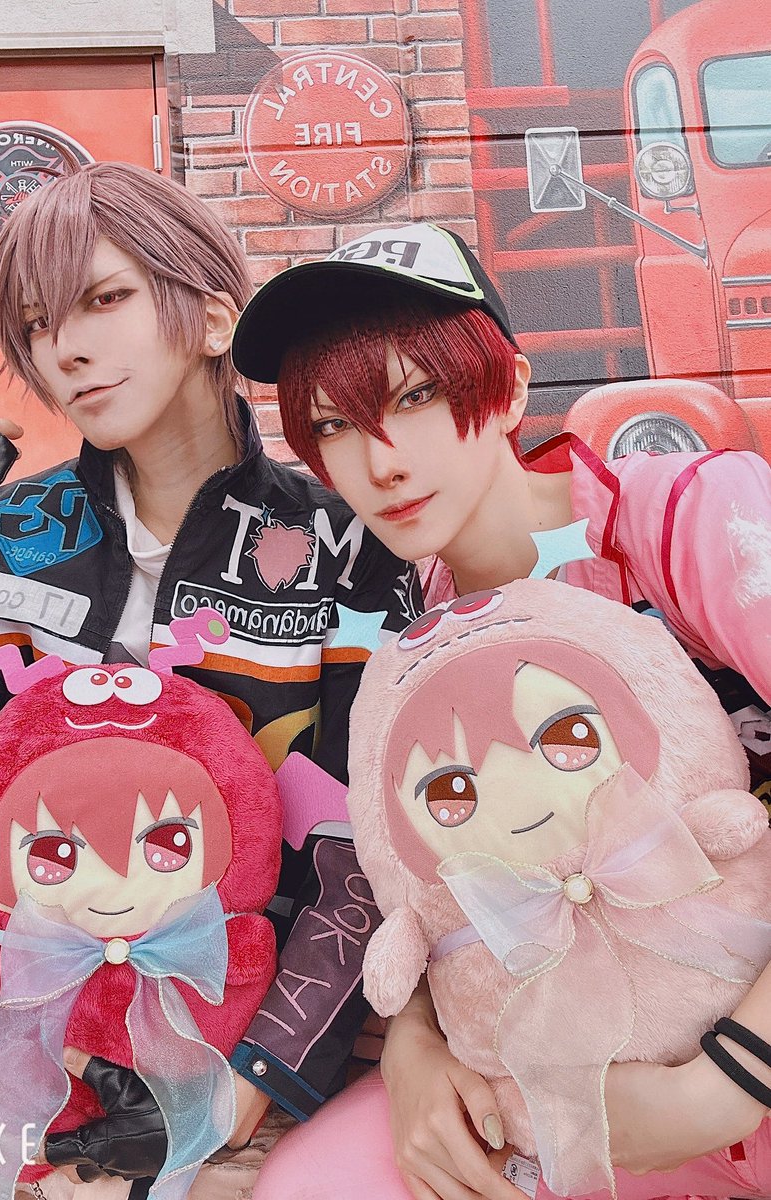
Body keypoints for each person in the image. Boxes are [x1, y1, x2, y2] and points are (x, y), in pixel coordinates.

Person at [0, 166, 420, 1199]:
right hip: (16, 1008)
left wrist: (233, 1091)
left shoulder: (342, 544)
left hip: (240, 1032)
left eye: (104, 298)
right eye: (38, 326)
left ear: (213, 319)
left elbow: (364, 862)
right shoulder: (15, 535)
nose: (65, 349)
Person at [229, 221, 771, 1200]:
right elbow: (432, 887)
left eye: (416, 397)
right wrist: (415, 1047)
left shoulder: (677, 518)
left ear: (511, 389)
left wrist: (729, 1082)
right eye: (335, 425)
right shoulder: (416, 635)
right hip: (571, 1072)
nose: (382, 462)